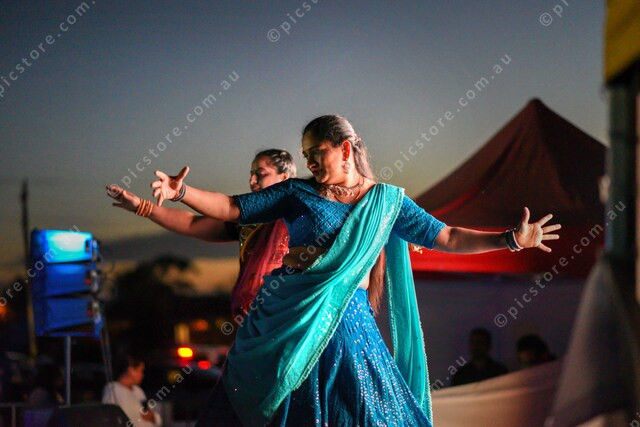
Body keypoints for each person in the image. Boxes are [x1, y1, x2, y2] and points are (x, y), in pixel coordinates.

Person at [111, 114, 561, 426]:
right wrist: (182, 191)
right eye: (305, 154)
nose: (309, 162)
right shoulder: (298, 193)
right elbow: (232, 207)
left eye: (317, 153)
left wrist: (510, 239)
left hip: (349, 326)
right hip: (287, 321)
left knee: (364, 411)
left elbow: (447, 237)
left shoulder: (387, 202)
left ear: (345, 149)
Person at [107, 149, 296, 321]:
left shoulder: (300, 213)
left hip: (289, 319)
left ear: (285, 177)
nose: (252, 181)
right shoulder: (249, 220)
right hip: (250, 320)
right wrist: (142, 206)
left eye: (261, 174)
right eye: (251, 174)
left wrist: (181, 191)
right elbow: (192, 224)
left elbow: (226, 205)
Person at [102, 353, 162, 427]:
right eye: (140, 371)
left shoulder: (138, 391)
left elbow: (151, 414)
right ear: (130, 370)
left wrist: (152, 417)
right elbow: (109, 418)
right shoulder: (113, 390)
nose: (142, 375)